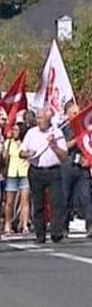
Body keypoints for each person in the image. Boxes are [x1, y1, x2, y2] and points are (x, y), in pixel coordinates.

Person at [20, 107, 68, 244]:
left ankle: (56, 232)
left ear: (48, 119)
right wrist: (27, 154)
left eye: (42, 118)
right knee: (38, 203)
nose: (39, 121)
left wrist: (54, 146)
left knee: (56, 202)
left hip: (53, 171)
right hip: (36, 170)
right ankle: (40, 234)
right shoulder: (31, 133)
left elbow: (64, 156)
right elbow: (21, 152)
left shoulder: (56, 132)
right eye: (38, 118)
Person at [61, 101, 92, 238]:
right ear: (67, 115)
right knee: (65, 197)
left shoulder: (86, 127)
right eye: (74, 113)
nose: (77, 115)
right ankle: (63, 227)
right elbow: (63, 147)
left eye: (78, 113)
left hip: (82, 167)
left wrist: (88, 160)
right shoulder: (63, 128)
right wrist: (76, 139)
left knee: (86, 196)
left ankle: (90, 225)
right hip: (67, 166)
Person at [2, 122, 30, 236]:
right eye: (13, 130)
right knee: (9, 201)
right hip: (12, 173)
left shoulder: (26, 143)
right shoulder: (9, 142)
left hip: (24, 172)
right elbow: (4, 157)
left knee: (25, 201)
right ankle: (7, 223)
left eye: (16, 130)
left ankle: (24, 224)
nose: (14, 132)